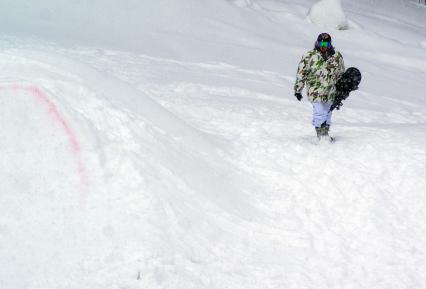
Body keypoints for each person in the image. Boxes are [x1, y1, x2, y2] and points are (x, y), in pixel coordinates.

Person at [294, 33, 345, 141]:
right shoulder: (309, 56)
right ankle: (320, 134)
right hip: (315, 90)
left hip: (330, 91)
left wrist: (343, 87)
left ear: (330, 44)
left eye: (327, 43)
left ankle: (325, 133)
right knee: (319, 112)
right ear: (317, 42)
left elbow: (341, 74)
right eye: (321, 43)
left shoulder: (336, 57)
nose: (324, 45)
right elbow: (302, 73)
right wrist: (298, 89)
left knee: (327, 112)